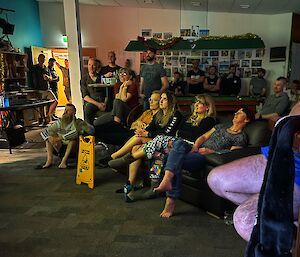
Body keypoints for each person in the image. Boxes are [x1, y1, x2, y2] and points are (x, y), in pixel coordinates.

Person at [207, 101, 300, 242]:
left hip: (295, 174)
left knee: (245, 220)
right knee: (215, 179)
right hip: (275, 154)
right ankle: (278, 217)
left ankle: (289, 242)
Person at [108, 94, 217, 201]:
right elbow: (179, 132)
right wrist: (180, 133)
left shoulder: (209, 120)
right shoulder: (189, 118)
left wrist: (180, 133)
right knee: (158, 155)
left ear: (207, 107)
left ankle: (125, 158)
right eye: (196, 102)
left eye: (200, 103)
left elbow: (193, 135)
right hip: (173, 142)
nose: (196, 104)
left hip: (185, 146)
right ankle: (153, 188)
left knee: (159, 139)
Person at [153, 108, 253, 218]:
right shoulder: (221, 126)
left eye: (239, 113)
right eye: (236, 112)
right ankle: (167, 180)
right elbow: (204, 136)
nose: (235, 114)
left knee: (171, 158)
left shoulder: (241, 137)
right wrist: (195, 146)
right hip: (195, 149)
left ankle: (170, 197)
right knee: (179, 143)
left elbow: (232, 154)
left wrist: (211, 152)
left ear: (246, 119)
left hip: (204, 157)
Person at [95, 91, 161, 148]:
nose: (151, 102)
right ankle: (92, 129)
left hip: (136, 135)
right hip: (131, 130)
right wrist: (139, 122)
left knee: (111, 135)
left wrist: (144, 127)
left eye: (154, 100)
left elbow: (152, 131)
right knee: (114, 124)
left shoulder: (160, 116)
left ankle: (94, 134)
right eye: (150, 99)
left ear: (160, 102)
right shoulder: (147, 112)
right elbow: (132, 125)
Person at [39, 104, 95, 169]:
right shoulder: (60, 122)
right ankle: (49, 160)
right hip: (60, 148)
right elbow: (44, 132)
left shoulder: (78, 122)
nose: (65, 112)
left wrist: (86, 126)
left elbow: (76, 132)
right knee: (49, 137)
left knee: (73, 140)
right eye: (65, 110)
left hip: (73, 149)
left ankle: (63, 162)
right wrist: (50, 138)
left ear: (74, 112)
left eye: (68, 110)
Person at [30, 53, 58, 124]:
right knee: (41, 105)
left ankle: (48, 115)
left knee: (55, 101)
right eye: (40, 58)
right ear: (38, 59)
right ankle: (43, 118)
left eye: (43, 59)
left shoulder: (46, 68)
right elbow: (27, 70)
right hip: (39, 89)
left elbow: (51, 78)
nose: (42, 60)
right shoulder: (34, 67)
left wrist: (49, 78)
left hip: (47, 88)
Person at [81, 58, 106, 125]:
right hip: (91, 103)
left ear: (97, 67)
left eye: (93, 65)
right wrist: (98, 104)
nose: (91, 67)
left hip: (103, 102)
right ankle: (89, 131)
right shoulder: (84, 79)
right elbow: (85, 96)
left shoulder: (101, 78)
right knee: (88, 108)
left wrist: (104, 102)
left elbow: (107, 92)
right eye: (89, 65)